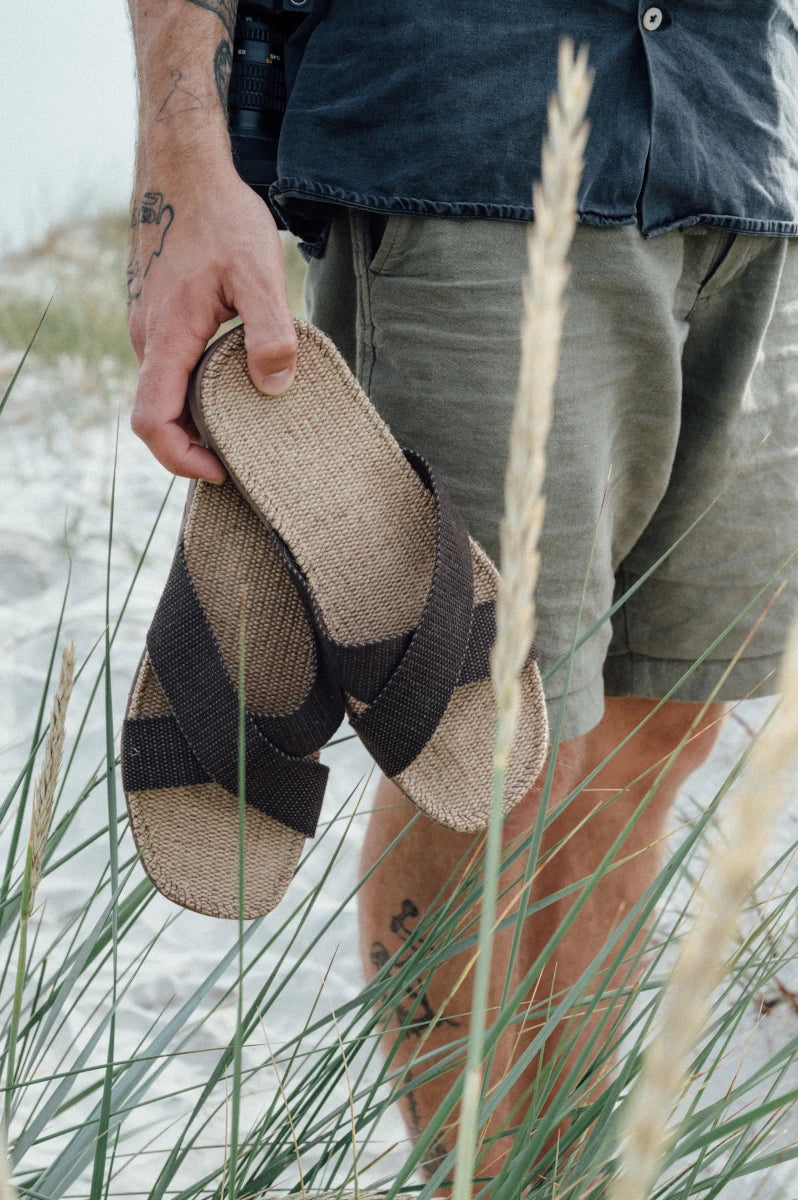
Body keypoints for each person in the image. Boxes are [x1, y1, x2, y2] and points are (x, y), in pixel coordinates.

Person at [125, 0, 798, 1180]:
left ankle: (560, 1171)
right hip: (476, 137)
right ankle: (474, 1175)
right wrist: (181, 157)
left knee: (660, 731)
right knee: (479, 746)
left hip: (747, 143)